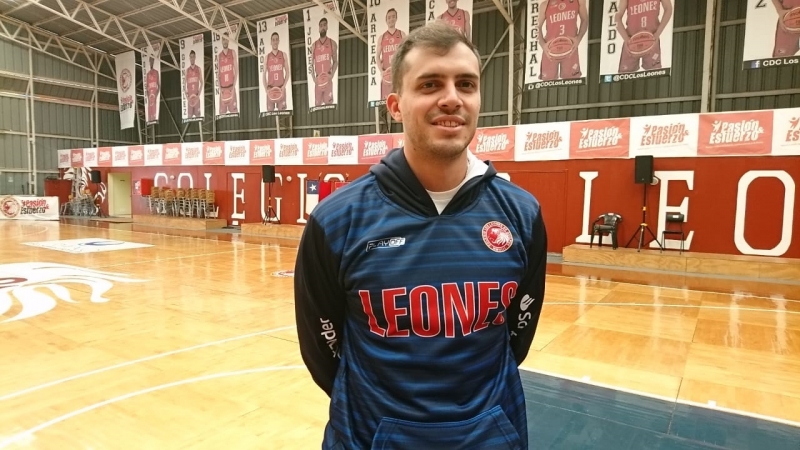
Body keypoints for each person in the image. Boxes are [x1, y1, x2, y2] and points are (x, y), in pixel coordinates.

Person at [294, 20, 548, 450]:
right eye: (430, 84)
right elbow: (322, 347)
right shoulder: (337, 219)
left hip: (489, 437)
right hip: (371, 437)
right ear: (395, 104)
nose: (451, 98)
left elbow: (518, 335)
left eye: (466, 84)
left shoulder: (521, 214)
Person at [615, 0, 673, 73]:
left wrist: (657, 34)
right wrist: (626, 39)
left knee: (655, 76)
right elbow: (617, 17)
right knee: (624, 78)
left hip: (651, 40)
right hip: (631, 41)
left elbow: (668, 9)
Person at [538, 0, 588, 81]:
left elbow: (585, 20)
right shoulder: (545, 4)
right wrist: (543, 45)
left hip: (570, 48)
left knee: (572, 83)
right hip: (551, 50)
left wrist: (578, 39)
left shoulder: (578, 1)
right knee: (548, 84)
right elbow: (537, 27)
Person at [378, 8, 406, 101]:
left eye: (393, 17)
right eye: (389, 17)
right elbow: (377, 56)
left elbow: (406, 52)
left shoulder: (402, 34)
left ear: (396, 18)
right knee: (385, 104)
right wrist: (381, 71)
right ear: (386, 20)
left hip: (398, 73)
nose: (391, 19)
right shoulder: (382, 37)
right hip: (387, 75)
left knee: (401, 101)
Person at [312, 17, 339, 106]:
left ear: (327, 27)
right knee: (317, 106)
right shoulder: (314, 45)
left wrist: (331, 75)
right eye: (321, 26)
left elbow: (335, 61)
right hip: (318, 79)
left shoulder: (332, 43)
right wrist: (313, 78)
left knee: (329, 105)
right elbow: (310, 64)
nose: (322, 27)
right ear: (318, 28)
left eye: (324, 25)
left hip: (327, 79)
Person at [263, 32, 290, 112]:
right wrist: (266, 89)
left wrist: (284, 86)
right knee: (270, 112)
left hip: (280, 88)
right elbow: (264, 75)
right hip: (271, 88)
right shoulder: (267, 57)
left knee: (283, 113)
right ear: (271, 42)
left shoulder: (283, 55)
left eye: (276, 39)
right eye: (273, 40)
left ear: (278, 41)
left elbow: (287, 72)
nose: (275, 41)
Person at [217, 31, 238, 114]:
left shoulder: (232, 52)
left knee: (234, 112)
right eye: (223, 39)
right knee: (221, 114)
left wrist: (233, 87)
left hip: (231, 88)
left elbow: (236, 71)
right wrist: (220, 89)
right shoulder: (219, 56)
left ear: (228, 41)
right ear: (221, 41)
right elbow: (218, 74)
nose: (225, 41)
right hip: (223, 89)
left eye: (226, 39)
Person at [184, 50, 202, 118]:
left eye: (193, 56)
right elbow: (184, 84)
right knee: (189, 118)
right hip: (190, 98)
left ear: (195, 57)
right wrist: (187, 97)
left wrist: (199, 95)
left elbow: (202, 82)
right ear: (189, 58)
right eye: (191, 57)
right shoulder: (187, 71)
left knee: (198, 117)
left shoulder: (198, 69)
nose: (192, 58)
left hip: (196, 97)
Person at [145, 56, 159, 123]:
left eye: (152, 61)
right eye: (150, 61)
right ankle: (150, 119)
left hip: (154, 95)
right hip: (149, 96)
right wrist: (148, 95)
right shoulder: (147, 74)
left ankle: (154, 118)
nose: (151, 62)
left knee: (154, 109)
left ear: (153, 61)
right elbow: (146, 87)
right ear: (149, 62)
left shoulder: (156, 72)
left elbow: (159, 85)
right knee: (149, 109)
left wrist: (156, 94)